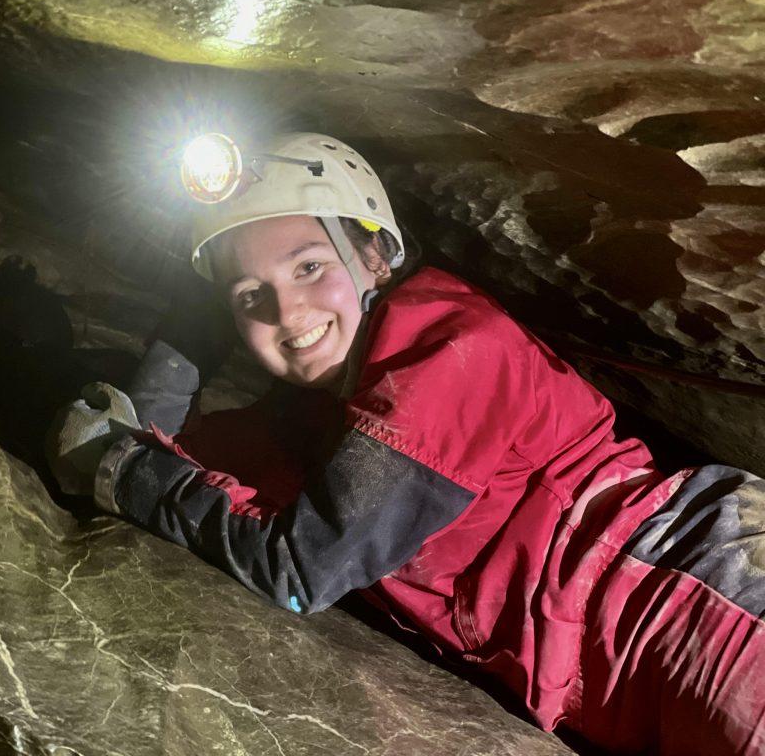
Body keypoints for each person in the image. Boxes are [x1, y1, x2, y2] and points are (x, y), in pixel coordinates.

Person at [47, 133, 765, 755]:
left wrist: (122, 468)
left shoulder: (450, 347)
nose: (288, 311)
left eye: (308, 267)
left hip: (689, 592)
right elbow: (162, 449)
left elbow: (300, 569)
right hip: (619, 678)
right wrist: (177, 356)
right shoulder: (306, 425)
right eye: (248, 297)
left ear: (375, 256)